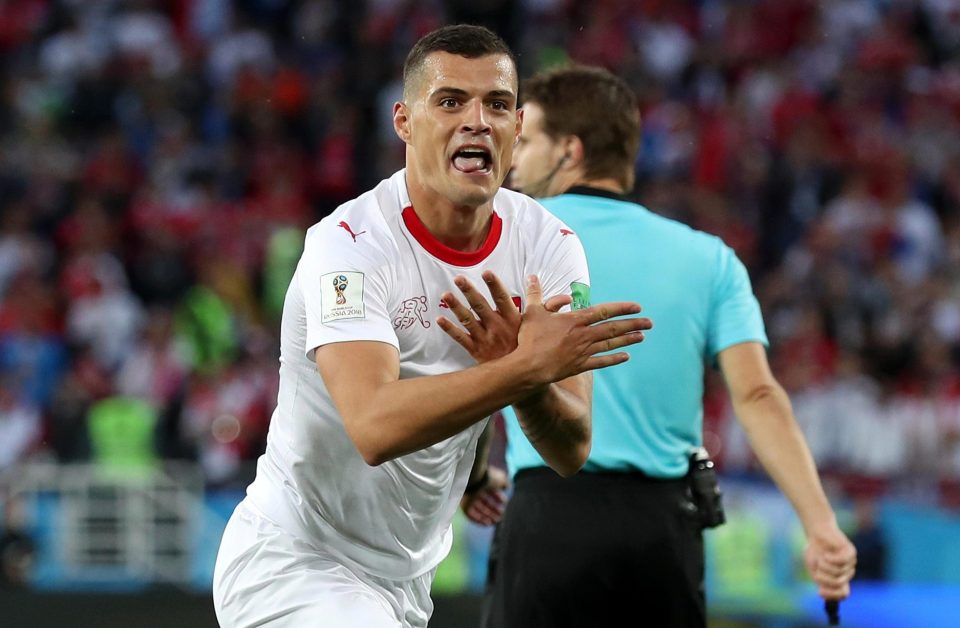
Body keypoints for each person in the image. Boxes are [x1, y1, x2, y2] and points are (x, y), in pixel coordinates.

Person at [212, 26, 652, 628]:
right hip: (294, 561)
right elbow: (374, 424)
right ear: (404, 121)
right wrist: (519, 368)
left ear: (517, 126)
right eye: (450, 101)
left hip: (405, 584)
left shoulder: (550, 249)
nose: (477, 120)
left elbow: (571, 449)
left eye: (496, 104)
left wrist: (517, 399)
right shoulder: (349, 249)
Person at [452, 65, 857, 628]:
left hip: (549, 523)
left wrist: (472, 480)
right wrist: (821, 527)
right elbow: (759, 395)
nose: (512, 159)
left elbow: (458, 369)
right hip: (663, 532)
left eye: (527, 141)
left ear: (569, 151)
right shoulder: (710, 257)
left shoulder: (501, 237)